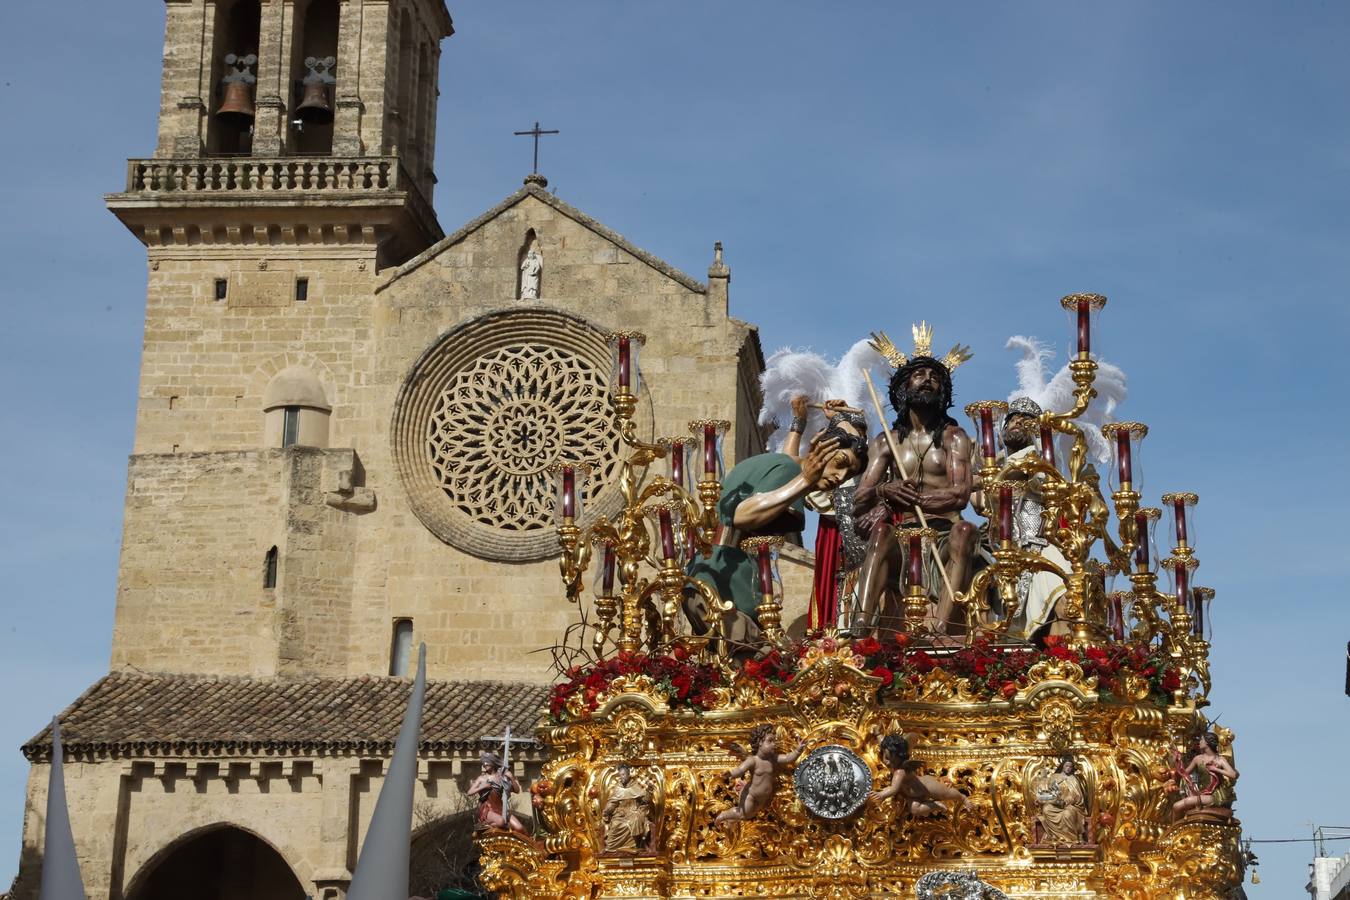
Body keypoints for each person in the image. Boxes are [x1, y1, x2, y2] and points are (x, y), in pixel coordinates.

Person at [685, 424, 868, 645]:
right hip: (720, 586)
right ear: (819, 448)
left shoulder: (784, 467)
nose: (840, 476)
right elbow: (742, 516)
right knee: (762, 658)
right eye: (840, 463)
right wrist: (805, 480)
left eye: (849, 474)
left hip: (725, 585)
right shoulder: (788, 469)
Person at [852, 356, 977, 636]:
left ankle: (942, 626)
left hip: (944, 533)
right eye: (919, 375)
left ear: (943, 390)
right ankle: (860, 625)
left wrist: (909, 499)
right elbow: (860, 499)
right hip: (904, 537)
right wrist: (885, 490)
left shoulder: (954, 437)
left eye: (935, 377)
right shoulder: (886, 441)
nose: (928, 380)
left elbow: (960, 494)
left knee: (965, 531)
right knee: (881, 533)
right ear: (904, 387)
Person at [978, 397, 1072, 639]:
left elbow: (1036, 478)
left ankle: (1063, 653)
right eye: (1012, 419)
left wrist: (986, 477)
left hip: (1040, 548)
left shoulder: (1041, 459)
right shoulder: (992, 463)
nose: (1018, 423)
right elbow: (979, 503)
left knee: (1062, 594)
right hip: (1001, 552)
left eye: (1026, 421)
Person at [781, 394, 870, 633]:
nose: (841, 474)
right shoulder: (828, 485)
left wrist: (843, 418)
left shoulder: (867, 479)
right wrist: (799, 422)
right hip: (838, 558)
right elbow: (787, 465)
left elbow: (856, 446)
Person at [715, 724, 806, 825]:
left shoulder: (773, 759)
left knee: (749, 815)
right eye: (770, 741)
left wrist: (798, 750)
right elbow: (740, 770)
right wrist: (730, 773)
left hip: (763, 798)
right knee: (743, 813)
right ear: (760, 742)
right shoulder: (753, 760)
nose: (774, 744)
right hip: (751, 795)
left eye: (774, 741)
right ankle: (724, 815)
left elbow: (787, 758)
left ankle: (731, 820)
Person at [868, 733, 973, 819]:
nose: (887, 762)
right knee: (914, 810)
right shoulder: (892, 761)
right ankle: (937, 806)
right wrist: (878, 734)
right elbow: (883, 743)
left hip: (927, 786)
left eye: (892, 759)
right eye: (886, 757)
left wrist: (881, 794)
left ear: (901, 758)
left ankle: (963, 798)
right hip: (913, 795)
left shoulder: (900, 772)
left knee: (946, 793)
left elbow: (893, 789)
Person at [1171, 731, 1239, 821]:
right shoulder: (1198, 759)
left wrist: (1216, 769)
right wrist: (1176, 762)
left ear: (1207, 742)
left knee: (1188, 801)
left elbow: (1233, 774)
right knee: (1176, 806)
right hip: (1201, 793)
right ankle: (1174, 828)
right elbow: (1184, 774)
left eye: (1201, 740)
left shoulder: (1219, 760)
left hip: (1215, 796)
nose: (1199, 742)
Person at [1034, 754, 1089, 845]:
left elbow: (1079, 796)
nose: (1068, 768)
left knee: (1067, 814)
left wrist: (1069, 799)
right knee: (1046, 809)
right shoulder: (1055, 777)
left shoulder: (1073, 779)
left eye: (1070, 767)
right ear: (1062, 766)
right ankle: (1054, 836)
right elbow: (1049, 790)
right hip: (1056, 803)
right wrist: (1051, 798)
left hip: (1069, 805)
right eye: (1066, 766)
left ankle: (1071, 838)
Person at [468, 751, 527, 834]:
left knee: (519, 828)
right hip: (487, 810)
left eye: (487, 762)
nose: (485, 764)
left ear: (493, 763)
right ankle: (484, 824)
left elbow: (516, 790)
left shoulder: (501, 777)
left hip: (500, 808)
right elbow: (469, 792)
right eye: (484, 763)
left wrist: (511, 778)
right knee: (501, 821)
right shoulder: (482, 778)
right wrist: (483, 786)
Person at [601, 764, 653, 854]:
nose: (622, 777)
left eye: (624, 774)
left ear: (628, 774)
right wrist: (607, 811)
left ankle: (633, 846)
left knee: (635, 821)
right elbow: (612, 802)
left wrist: (649, 791)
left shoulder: (635, 786)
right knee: (616, 824)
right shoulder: (618, 787)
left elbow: (645, 800)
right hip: (620, 813)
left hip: (634, 811)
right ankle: (611, 847)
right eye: (620, 775)